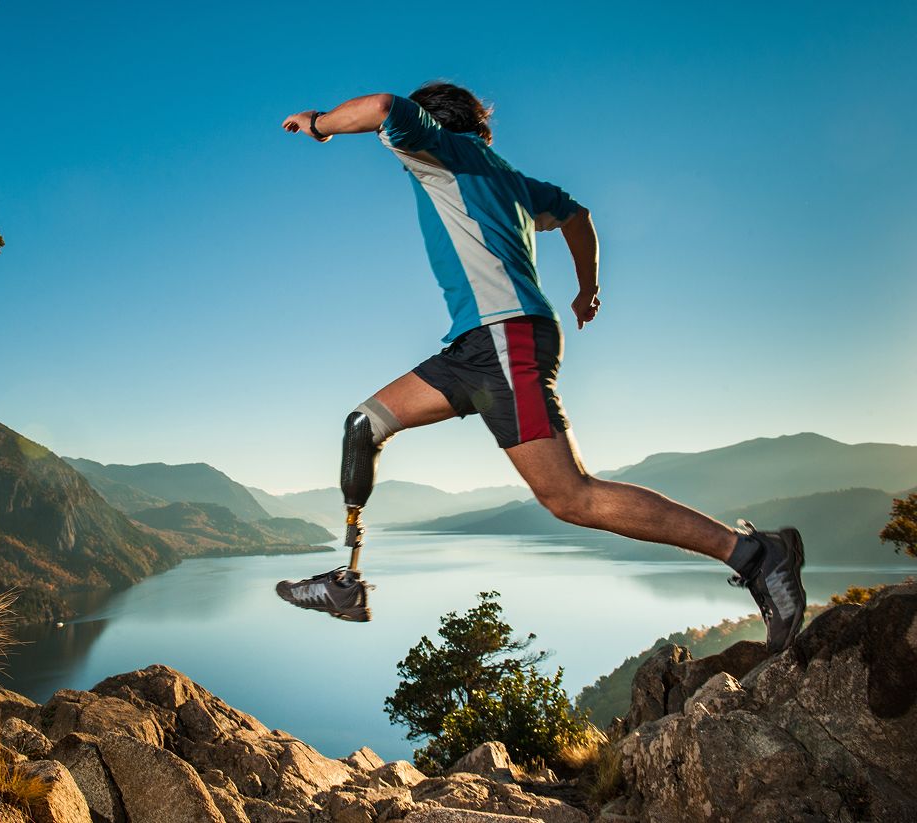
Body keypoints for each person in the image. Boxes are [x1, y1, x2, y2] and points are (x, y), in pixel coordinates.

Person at [274, 82, 806, 653]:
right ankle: (345, 581)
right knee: (366, 423)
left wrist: (321, 123)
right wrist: (588, 289)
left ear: (432, 122)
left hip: (504, 338)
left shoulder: (442, 151)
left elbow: (380, 108)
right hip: (477, 345)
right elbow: (577, 216)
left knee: (569, 496)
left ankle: (754, 554)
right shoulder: (513, 180)